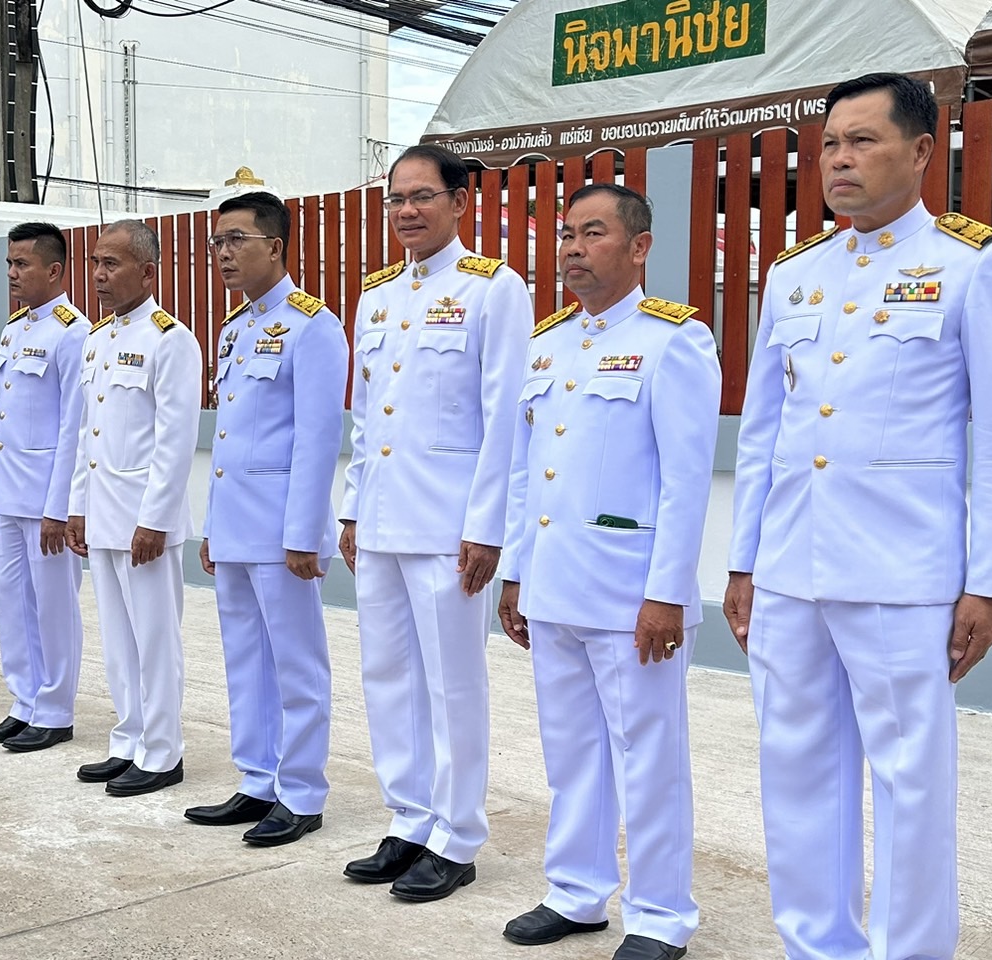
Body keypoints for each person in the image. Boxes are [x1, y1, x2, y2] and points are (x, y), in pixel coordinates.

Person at [725, 72, 992, 960]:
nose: (839, 161)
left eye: (862, 141)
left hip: (904, 576)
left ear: (923, 152)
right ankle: (816, 946)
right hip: (790, 571)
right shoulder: (796, 273)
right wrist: (744, 564)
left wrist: (990, 583)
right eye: (829, 145)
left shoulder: (973, 263)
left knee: (910, 787)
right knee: (796, 775)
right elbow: (766, 435)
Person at [498, 184, 719, 960]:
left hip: (632, 597)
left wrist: (665, 594)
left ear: (638, 247)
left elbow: (686, 479)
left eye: (592, 233)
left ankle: (659, 915)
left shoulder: (674, 340)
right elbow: (528, 473)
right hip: (556, 585)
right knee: (571, 753)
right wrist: (517, 574)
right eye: (565, 234)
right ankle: (577, 892)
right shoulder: (549, 342)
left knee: (648, 757)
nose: (571, 248)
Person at [338, 143, 532, 901]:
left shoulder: (495, 289)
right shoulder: (377, 296)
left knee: (453, 683)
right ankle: (409, 818)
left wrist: (487, 528)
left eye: (422, 196)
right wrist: (353, 508)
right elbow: (364, 415)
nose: (408, 211)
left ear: (460, 202)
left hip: (450, 528)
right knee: (387, 675)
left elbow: (503, 419)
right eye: (397, 199)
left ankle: (456, 833)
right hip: (383, 519)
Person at [188, 191, 348, 845]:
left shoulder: (313, 326)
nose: (223, 254)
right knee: (244, 659)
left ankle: (302, 791)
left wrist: (305, 533)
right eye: (217, 243)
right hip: (236, 526)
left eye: (236, 240)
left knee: (297, 662)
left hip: (283, 530)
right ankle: (257, 780)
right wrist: (213, 526)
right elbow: (230, 440)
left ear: (274, 247)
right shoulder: (234, 328)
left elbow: (317, 439)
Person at [67, 219, 202, 797]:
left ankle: (162, 751)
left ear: (147, 272)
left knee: (155, 638)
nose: (99, 274)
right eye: (96, 262)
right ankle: (128, 739)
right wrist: (77, 506)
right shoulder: (97, 339)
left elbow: (176, 441)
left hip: (145, 520)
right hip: (103, 513)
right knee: (118, 640)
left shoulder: (170, 339)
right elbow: (85, 435)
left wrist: (157, 519)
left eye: (112, 264)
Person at [0, 223, 88, 752]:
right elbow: (5, 418)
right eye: (10, 264)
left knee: (53, 604)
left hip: (46, 498)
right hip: (11, 491)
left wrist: (59, 507)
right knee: (12, 600)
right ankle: (25, 702)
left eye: (22, 265)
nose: (13, 273)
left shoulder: (73, 331)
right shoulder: (14, 330)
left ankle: (56, 708)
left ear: (55, 270)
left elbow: (74, 428)